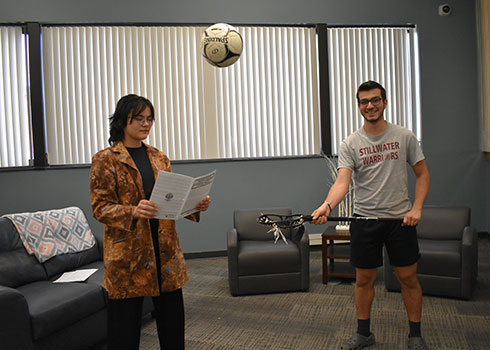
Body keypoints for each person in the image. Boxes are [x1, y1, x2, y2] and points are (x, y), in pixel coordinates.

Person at [312, 81, 430, 350]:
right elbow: (342, 182)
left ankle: (415, 335)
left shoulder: (404, 136)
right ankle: (364, 333)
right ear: (359, 106)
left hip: (400, 221)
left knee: (408, 279)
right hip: (364, 220)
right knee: (364, 280)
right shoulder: (351, 143)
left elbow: (422, 175)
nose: (370, 106)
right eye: (364, 102)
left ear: (385, 103)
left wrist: (417, 208)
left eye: (375, 100)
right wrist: (326, 206)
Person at [90, 94, 211, 350]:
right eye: (139, 119)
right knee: (124, 331)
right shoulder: (106, 159)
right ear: (123, 120)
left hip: (165, 253)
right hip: (128, 257)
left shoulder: (158, 156)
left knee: (172, 327)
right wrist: (132, 211)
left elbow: (171, 200)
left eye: (149, 119)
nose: (145, 124)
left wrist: (194, 205)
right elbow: (100, 208)